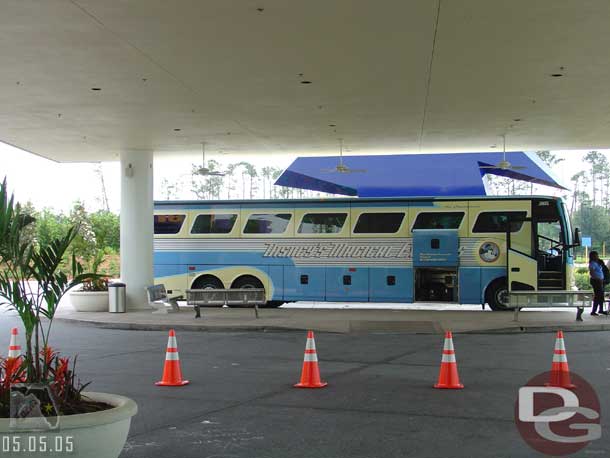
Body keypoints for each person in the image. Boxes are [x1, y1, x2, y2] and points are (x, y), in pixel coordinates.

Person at [588, 251, 608, 316]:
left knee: (601, 296)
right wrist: (598, 279)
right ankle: (593, 311)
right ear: (593, 256)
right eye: (596, 255)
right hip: (596, 281)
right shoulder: (592, 263)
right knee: (597, 296)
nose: (597, 256)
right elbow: (592, 273)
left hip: (600, 281)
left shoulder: (598, 263)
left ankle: (601, 310)